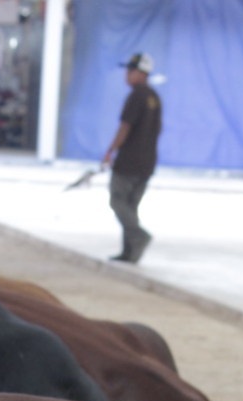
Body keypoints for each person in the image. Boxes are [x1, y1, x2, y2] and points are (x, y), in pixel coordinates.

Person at [101, 52, 162, 264]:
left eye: (130, 71)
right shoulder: (154, 97)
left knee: (118, 202)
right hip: (146, 163)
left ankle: (138, 237)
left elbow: (125, 126)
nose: (127, 75)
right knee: (130, 207)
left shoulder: (137, 96)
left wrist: (110, 151)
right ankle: (129, 252)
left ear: (141, 73)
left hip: (129, 162)